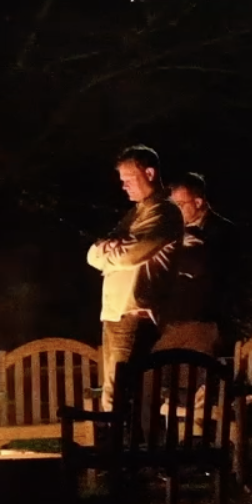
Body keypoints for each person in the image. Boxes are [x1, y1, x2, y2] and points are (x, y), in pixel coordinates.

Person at [87, 145, 182, 409]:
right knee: (114, 393)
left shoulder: (164, 213)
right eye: (122, 181)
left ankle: (122, 447)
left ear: (149, 173)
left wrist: (111, 251)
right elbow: (93, 254)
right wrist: (108, 249)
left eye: (129, 179)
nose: (124, 186)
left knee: (120, 395)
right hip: (116, 315)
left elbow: (130, 255)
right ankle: (120, 446)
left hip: (134, 315)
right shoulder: (135, 214)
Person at [156, 172, 230, 355]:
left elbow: (200, 267)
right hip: (171, 324)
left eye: (180, 205)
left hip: (202, 324)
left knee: (194, 378)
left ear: (198, 203)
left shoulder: (221, 232)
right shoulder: (174, 231)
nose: (174, 212)